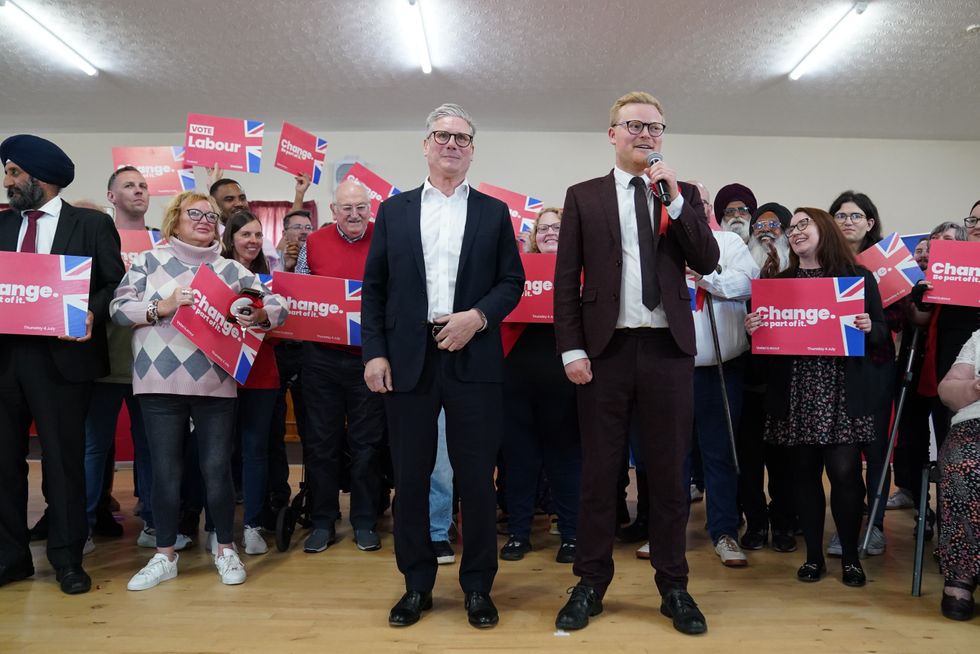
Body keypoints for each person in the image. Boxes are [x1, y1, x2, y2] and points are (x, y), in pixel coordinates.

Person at [552, 91, 719, 635]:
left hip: (669, 350)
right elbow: (565, 282)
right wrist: (572, 348)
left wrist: (675, 201)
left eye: (655, 127)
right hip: (606, 352)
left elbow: (708, 260)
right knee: (600, 474)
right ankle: (590, 582)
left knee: (671, 474)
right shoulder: (584, 196)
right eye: (634, 126)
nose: (645, 135)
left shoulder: (682, 193)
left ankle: (674, 586)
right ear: (613, 134)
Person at [361, 103, 524, 629]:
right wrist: (375, 352)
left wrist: (476, 318)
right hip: (408, 360)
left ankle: (477, 586)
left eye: (462, 137)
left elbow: (512, 283)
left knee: (476, 479)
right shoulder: (395, 210)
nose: (451, 144)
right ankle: (417, 584)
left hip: (472, 355)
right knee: (410, 477)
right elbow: (376, 290)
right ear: (426, 145)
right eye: (442, 135)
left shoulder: (494, 213)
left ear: (472, 149)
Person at [111, 192, 286, 591]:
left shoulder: (231, 270)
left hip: (215, 383)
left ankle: (225, 548)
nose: (205, 220)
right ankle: (165, 554)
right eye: (195, 213)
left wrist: (258, 314)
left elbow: (277, 306)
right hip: (158, 382)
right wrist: (162, 306)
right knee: (166, 471)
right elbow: (118, 308)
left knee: (216, 470)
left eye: (211, 215)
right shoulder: (147, 261)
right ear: (175, 220)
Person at [0, 134, 124, 595]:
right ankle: (11, 557)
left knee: (64, 463)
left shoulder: (90, 225)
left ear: (41, 179)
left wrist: (93, 310)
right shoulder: (1, 226)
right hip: (6, 360)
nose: (7, 181)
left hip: (63, 360)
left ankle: (68, 558)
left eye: (14, 173)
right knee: (4, 463)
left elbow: (115, 284)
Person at [745, 207, 887, 588]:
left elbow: (882, 340)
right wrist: (753, 328)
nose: (795, 231)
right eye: (792, 228)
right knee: (802, 475)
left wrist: (871, 326)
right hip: (796, 389)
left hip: (841, 388)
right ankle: (812, 557)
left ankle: (851, 558)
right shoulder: (780, 281)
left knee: (843, 473)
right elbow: (765, 344)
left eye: (804, 224)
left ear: (825, 228)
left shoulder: (858, 278)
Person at [294, 180, 386, 554]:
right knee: (321, 443)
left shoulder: (386, 238)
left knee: (367, 445)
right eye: (346, 208)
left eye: (361, 207)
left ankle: (365, 520)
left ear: (370, 208)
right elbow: (299, 292)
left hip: (370, 359)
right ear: (333, 211)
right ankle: (322, 520)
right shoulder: (313, 243)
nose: (354, 215)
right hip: (321, 360)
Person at [499, 207, 582, 564]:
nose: (550, 233)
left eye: (558, 227)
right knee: (518, 459)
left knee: (565, 458)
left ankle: (571, 534)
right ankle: (519, 533)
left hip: (564, 379)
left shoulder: (582, 270)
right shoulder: (516, 269)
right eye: (543, 228)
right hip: (515, 378)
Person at [688, 194, 760, 566]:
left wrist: (703, 277)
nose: (694, 206)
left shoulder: (727, 243)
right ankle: (666, 532)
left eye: (699, 201)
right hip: (672, 367)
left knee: (720, 454)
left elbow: (746, 283)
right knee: (672, 455)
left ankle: (724, 532)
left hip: (721, 365)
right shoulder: (658, 243)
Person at [827, 191, 894, 556]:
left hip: (877, 369)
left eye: (855, 216)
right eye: (839, 215)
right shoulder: (824, 264)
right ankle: (847, 526)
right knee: (843, 457)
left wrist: (873, 325)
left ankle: (876, 524)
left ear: (870, 222)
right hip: (835, 372)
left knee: (877, 451)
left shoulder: (888, 263)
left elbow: (894, 322)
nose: (847, 222)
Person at [220, 210, 281, 555]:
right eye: (245, 234)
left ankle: (253, 525)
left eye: (258, 235)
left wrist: (263, 321)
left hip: (261, 375)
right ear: (230, 238)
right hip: (221, 376)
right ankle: (218, 526)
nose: (253, 241)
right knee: (220, 454)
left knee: (255, 452)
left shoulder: (269, 281)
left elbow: (281, 330)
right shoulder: (215, 273)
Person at [738, 202, 797, 553]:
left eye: (775, 224)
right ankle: (757, 524)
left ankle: (785, 524)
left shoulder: (798, 272)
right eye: (760, 224)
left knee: (784, 463)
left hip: (786, 383)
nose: (766, 230)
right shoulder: (741, 269)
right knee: (748, 461)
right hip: (746, 380)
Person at [935, 328, 980, 621]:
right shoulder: (979, 338)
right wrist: (975, 389)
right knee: (965, 465)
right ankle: (961, 574)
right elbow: (946, 390)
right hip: (974, 424)